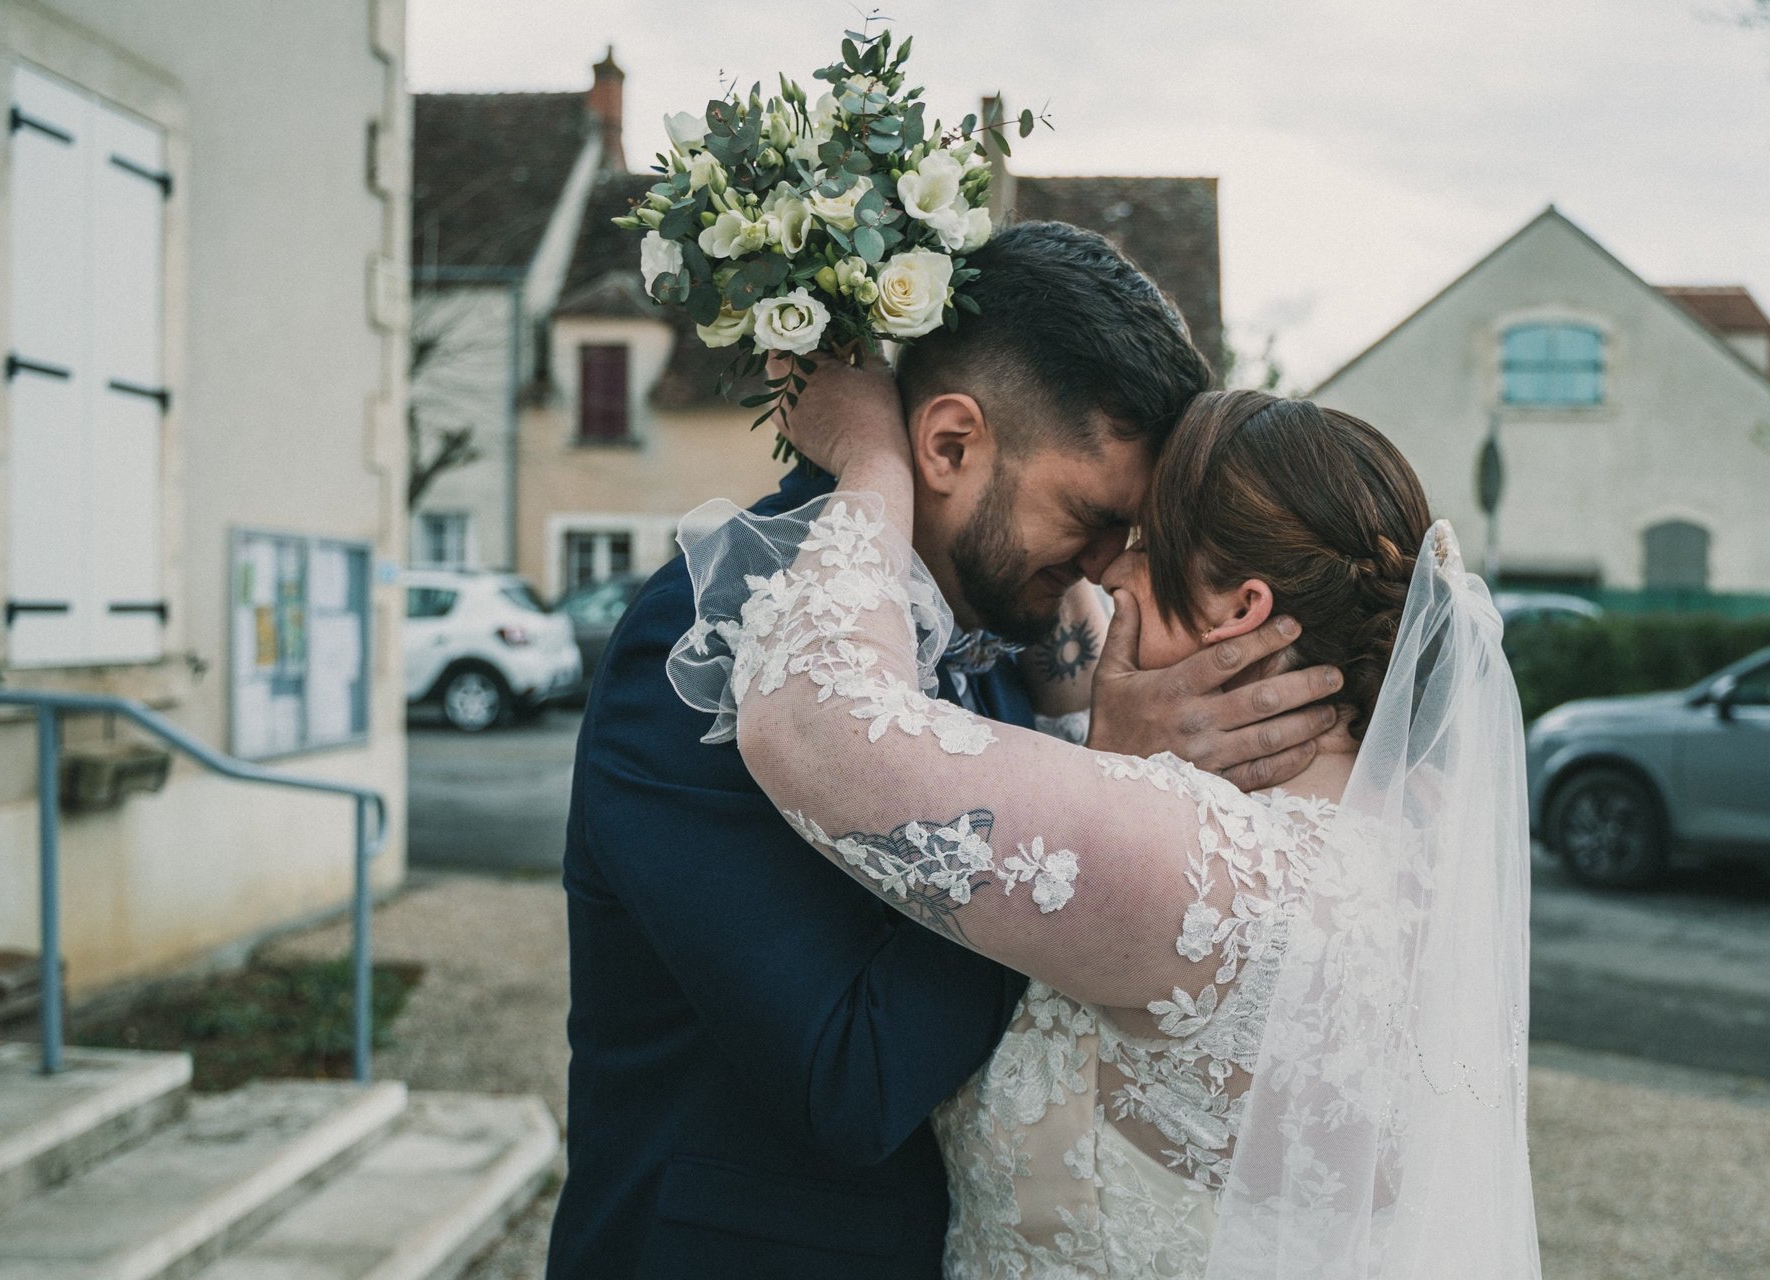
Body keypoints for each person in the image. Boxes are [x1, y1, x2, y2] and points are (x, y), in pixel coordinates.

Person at [545, 222, 1344, 1280]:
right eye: (1096, 519)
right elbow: (851, 1075)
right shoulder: (706, 644)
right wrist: (1108, 793)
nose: (1105, 575)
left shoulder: (1021, 640)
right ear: (950, 445)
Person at [669, 376, 1541, 1278]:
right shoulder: (1419, 821)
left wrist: (873, 459)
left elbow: (815, 722)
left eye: (1148, 544)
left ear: (1241, 611)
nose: (1106, 571)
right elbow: (1079, 662)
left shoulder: (1197, 859)